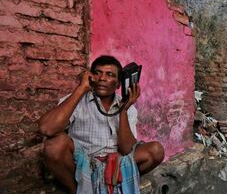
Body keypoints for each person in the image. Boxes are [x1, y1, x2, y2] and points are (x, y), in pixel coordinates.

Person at [38, 55, 164, 194]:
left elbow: (127, 149)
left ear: (118, 84)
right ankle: (76, 191)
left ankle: (114, 180)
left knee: (156, 150)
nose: (102, 78)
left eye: (109, 74)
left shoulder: (128, 108)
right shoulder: (76, 99)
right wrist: (81, 89)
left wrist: (123, 110)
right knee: (53, 146)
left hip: (116, 164)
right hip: (84, 163)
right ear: (90, 77)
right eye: (97, 73)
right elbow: (46, 129)